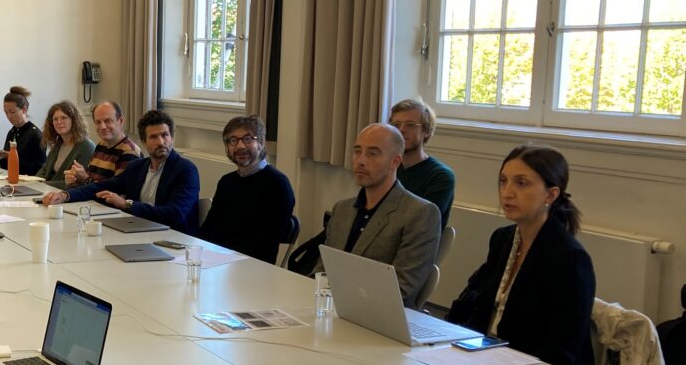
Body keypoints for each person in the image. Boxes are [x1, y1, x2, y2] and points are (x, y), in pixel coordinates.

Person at [447, 146, 596, 365]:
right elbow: (475, 303)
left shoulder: (570, 258)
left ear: (551, 195)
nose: (507, 192)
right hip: (490, 361)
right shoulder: (502, 239)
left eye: (521, 183)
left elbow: (562, 350)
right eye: (503, 181)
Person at [313, 124, 441, 308]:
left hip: (380, 319)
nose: (361, 161)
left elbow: (402, 288)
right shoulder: (343, 209)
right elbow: (322, 270)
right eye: (357, 152)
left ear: (395, 162)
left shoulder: (419, 213)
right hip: (333, 309)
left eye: (373, 154)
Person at [43, 109, 200, 234]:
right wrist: (65, 195)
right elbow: (100, 187)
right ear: (144, 141)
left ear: (172, 137)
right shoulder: (137, 168)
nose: (160, 142)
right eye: (153, 137)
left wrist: (127, 204)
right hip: (137, 230)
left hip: (173, 238)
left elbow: (175, 214)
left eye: (164, 135)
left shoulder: (186, 170)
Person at [198, 115, 295, 264]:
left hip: (253, 268)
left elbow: (265, 244)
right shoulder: (226, 182)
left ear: (261, 143)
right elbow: (209, 230)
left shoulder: (277, 184)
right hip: (216, 262)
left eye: (248, 139)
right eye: (233, 140)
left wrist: (222, 258)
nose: (240, 146)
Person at [389, 98, 456, 227]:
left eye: (410, 124)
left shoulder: (441, 176)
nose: (401, 130)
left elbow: (422, 222)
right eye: (396, 124)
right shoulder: (387, 166)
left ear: (427, 131)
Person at [63, 101, 142, 187]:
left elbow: (116, 193)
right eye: (98, 122)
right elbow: (91, 182)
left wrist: (85, 179)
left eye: (108, 121)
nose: (102, 127)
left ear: (121, 121)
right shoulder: (101, 145)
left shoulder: (130, 152)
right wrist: (75, 180)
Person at [33, 101, 94, 188]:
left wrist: (43, 185)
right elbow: (45, 169)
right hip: (48, 189)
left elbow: (75, 182)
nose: (59, 122)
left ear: (74, 120)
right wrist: (33, 182)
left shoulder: (86, 147)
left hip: (66, 195)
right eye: (55, 119)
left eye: (64, 118)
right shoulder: (58, 144)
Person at [0, 86, 45, 174]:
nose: (9, 116)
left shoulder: (35, 135)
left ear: (24, 110)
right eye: (6, 112)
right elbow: (6, 167)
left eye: (12, 112)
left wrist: (10, 156)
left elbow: (39, 168)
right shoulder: (12, 132)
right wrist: (1, 157)